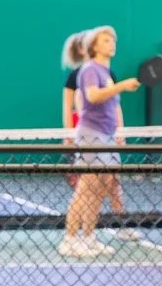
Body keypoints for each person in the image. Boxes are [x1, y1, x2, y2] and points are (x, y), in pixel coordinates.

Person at [60, 26, 140, 258]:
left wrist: (119, 132)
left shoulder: (106, 72)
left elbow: (113, 106)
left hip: (107, 134)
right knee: (85, 188)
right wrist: (122, 85)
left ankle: (89, 238)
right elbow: (93, 96)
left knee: (101, 188)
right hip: (90, 133)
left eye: (113, 40)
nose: (112, 43)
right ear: (94, 46)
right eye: (106, 40)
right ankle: (69, 239)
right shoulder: (89, 70)